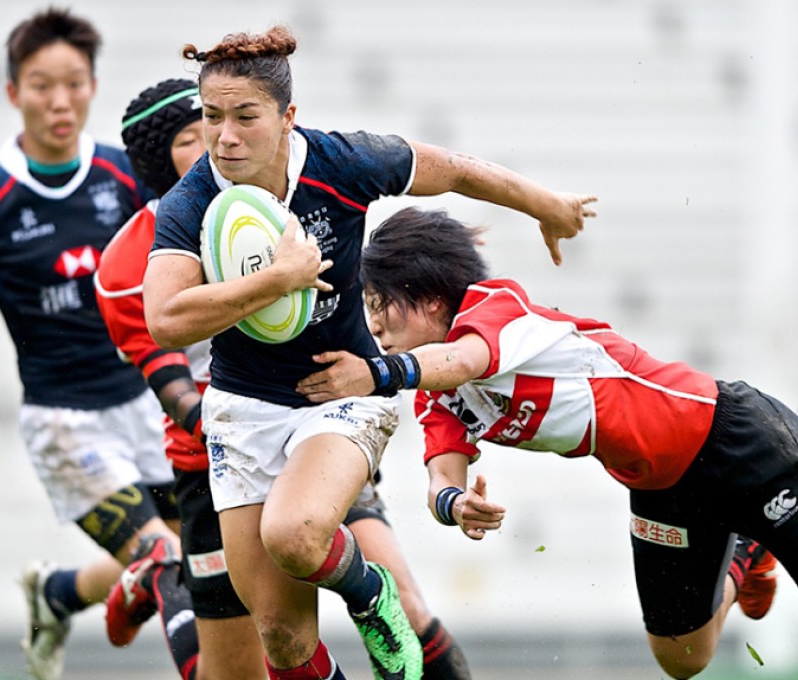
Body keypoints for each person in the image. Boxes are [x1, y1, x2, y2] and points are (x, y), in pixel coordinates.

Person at [294, 206, 798, 680]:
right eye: (367, 307)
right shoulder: (431, 387)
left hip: (739, 445)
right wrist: (455, 504)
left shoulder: (495, 309)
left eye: (383, 304)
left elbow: (465, 361)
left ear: (431, 296)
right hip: (661, 490)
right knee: (682, 659)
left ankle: (752, 536)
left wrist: (375, 373)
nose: (374, 325)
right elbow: (443, 470)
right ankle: (744, 556)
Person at [142, 25, 596, 680]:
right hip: (241, 411)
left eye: (246, 117)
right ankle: (359, 604)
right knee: (281, 637)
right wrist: (275, 280)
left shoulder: (342, 162)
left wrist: (544, 203)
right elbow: (165, 319)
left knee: (295, 536)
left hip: (344, 392)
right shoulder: (191, 202)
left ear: (287, 116)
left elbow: (456, 171)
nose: (225, 137)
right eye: (212, 117)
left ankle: (368, 592)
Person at [97, 76, 472, 680]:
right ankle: (167, 581)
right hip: (214, 454)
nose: (221, 141)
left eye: (234, 121)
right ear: (156, 163)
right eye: (195, 135)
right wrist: (233, 420)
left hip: (318, 428)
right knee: (254, 655)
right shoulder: (131, 262)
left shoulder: (287, 199)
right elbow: (165, 368)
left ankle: (370, 599)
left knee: (407, 602)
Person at [0, 9, 179, 680]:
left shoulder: (129, 179)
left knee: (192, 554)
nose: (59, 101)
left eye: (74, 83)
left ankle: (57, 594)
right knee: (171, 568)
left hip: (152, 404)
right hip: (65, 421)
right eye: (41, 85)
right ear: (12, 93)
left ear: (92, 85)